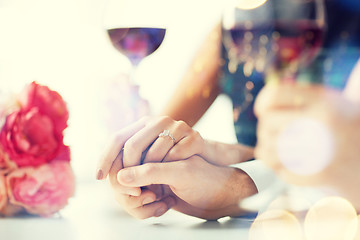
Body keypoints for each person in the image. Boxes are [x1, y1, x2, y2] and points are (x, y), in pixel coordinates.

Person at [95, 23, 270, 220]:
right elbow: (163, 137)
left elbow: (309, 168)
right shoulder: (233, 32)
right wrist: (223, 153)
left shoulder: (308, 34)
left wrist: (240, 185)